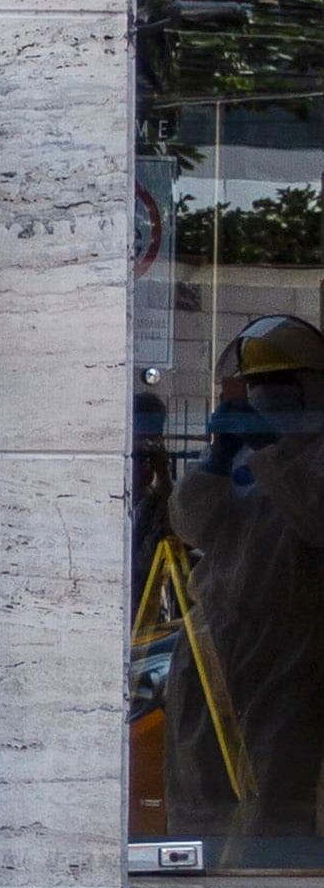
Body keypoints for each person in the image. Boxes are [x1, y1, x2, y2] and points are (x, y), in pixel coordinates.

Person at [166, 314, 324, 838]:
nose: (259, 398)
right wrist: (217, 460)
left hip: (289, 650)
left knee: (272, 790)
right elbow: (191, 528)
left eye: (272, 388)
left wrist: (272, 452)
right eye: (253, 388)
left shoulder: (311, 460)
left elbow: (315, 519)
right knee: (199, 786)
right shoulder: (242, 458)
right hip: (217, 643)